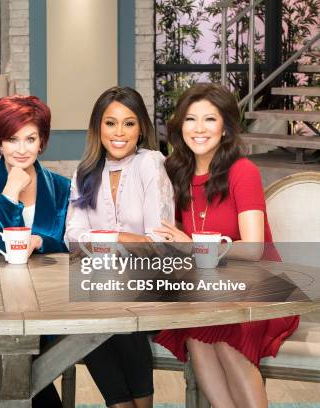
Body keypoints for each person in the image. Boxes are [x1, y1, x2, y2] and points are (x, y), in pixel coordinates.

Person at [153, 83, 299, 407]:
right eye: (191, 119)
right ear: (180, 126)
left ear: (226, 127)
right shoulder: (177, 171)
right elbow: (172, 232)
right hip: (210, 286)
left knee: (227, 342)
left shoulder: (242, 171)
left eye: (210, 119)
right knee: (197, 336)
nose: (199, 129)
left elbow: (253, 248)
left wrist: (190, 247)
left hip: (259, 283)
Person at [65, 86, 174, 408]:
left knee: (113, 298)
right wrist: (123, 241)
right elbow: (72, 235)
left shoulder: (151, 164)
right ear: (98, 127)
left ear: (141, 128)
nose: (119, 132)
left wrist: (105, 239)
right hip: (100, 284)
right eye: (110, 123)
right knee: (93, 306)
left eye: (129, 123)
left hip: (151, 284)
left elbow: (159, 243)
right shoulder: (85, 172)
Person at [0, 95, 70, 408]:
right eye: (12, 139)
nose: (22, 149)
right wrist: (10, 191)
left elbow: (68, 241)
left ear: (42, 142)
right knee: (17, 355)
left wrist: (41, 242)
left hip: (50, 299)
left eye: (30, 139)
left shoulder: (62, 186)